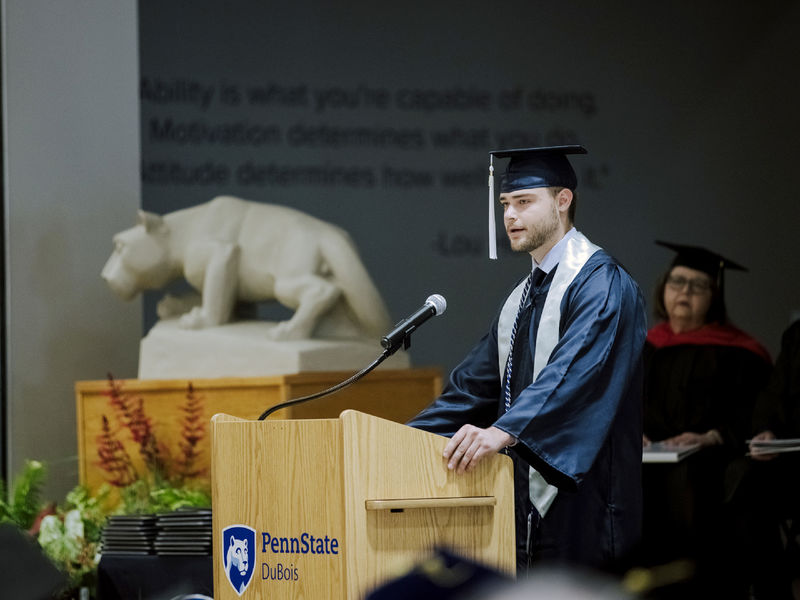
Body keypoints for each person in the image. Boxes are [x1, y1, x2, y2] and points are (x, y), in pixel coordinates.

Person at [407, 145, 648, 572]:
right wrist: (394, 438)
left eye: (523, 202)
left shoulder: (601, 284)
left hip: (586, 502)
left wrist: (504, 430)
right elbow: (472, 390)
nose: (510, 216)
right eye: (505, 204)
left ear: (562, 200)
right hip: (524, 505)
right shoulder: (522, 297)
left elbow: (573, 374)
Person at [640, 241, 772, 596]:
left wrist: (712, 436)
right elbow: (620, 406)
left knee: (689, 475)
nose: (684, 292)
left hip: (711, 459)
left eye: (697, 286)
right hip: (648, 456)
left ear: (714, 296)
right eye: (677, 282)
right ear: (663, 288)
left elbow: (758, 414)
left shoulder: (742, 354)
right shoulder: (645, 347)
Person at [729, 319, 800, 599]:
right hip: (794, 461)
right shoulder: (796, 335)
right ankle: (772, 591)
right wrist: (766, 431)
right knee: (745, 476)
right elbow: (772, 397)